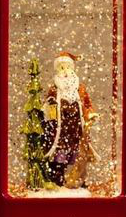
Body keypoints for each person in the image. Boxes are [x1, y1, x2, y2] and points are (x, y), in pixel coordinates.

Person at [42, 52, 99, 187]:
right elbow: (48, 105)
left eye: (67, 67)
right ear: (57, 70)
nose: (65, 71)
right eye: (62, 68)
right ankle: (58, 178)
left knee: (78, 153)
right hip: (61, 129)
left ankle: (79, 178)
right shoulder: (54, 89)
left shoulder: (80, 88)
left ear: (72, 68)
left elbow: (87, 104)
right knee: (60, 152)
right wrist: (49, 110)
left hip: (76, 127)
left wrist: (91, 114)